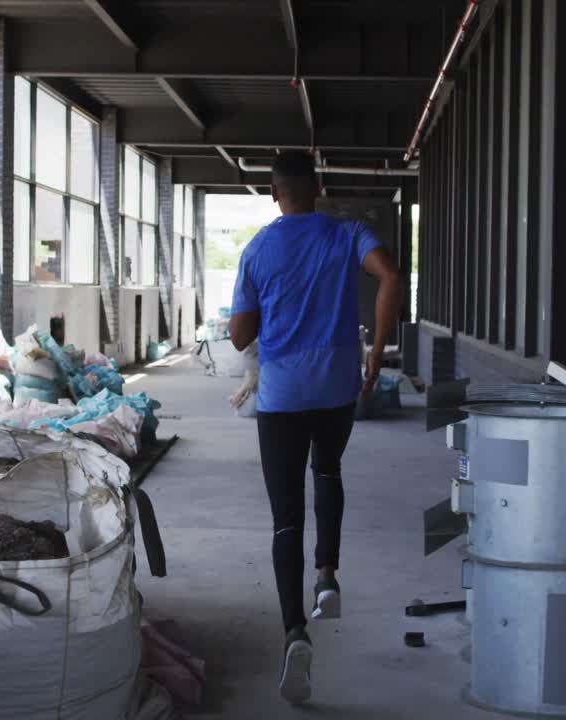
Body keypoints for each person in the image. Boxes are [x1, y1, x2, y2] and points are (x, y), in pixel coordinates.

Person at [228, 150, 402, 704]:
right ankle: (327, 575)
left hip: (281, 397)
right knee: (327, 470)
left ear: (275, 193)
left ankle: (294, 632)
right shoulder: (346, 234)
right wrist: (375, 353)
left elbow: (237, 335)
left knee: (285, 519)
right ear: (318, 187)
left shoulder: (258, 249)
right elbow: (391, 276)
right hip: (336, 390)